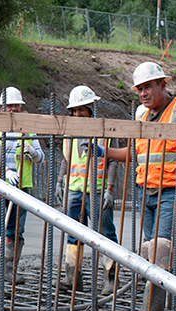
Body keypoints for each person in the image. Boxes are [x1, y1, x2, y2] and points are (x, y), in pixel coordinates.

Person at [107, 61, 176, 311]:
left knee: (161, 248)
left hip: (175, 188)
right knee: (151, 249)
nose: (143, 93)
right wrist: (103, 151)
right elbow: (132, 155)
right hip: (147, 191)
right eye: (139, 89)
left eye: (148, 87)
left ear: (162, 85)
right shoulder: (142, 118)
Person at [0, 87, 44, 288]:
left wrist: (31, 151)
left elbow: (41, 157)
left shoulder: (28, 128)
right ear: (0, 108)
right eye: (9, 106)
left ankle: (7, 271)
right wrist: (5, 172)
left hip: (22, 186)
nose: (13, 109)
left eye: (16, 106)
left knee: (15, 230)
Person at [55, 86, 119, 295]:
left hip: (98, 190)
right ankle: (72, 278)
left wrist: (110, 189)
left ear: (92, 109)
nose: (77, 114)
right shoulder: (69, 131)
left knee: (105, 235)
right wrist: (59, 180)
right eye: (74, 111)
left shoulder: (105, 131)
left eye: (81, 110)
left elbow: (113, 162)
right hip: (74, 190)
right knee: (73, 234)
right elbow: (67, 159)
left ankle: (110, 281)